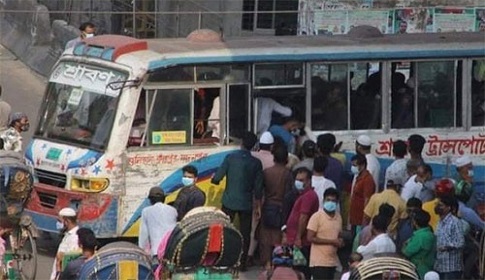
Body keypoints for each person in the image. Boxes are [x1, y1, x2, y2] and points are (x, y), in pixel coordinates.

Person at [211, 131, 263, 271]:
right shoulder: (256, 163)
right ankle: (242, 264)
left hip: (229, 201)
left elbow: (216, 179)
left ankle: (221, 260)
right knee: (245, 234)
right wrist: (258, 206)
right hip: (246, 203)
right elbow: (258, 189)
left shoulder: (230, 158)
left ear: (241, 143)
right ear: (253, 146)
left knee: (223, 230)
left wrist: (213, 179)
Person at [259, 145, 293, 270]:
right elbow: (289, 193)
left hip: (268, 207)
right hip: (282, 208)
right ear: (286, 159)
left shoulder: (266, 172)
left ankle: (267, 264)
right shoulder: (288, 174)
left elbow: (260, 191)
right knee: (279, 237)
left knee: (266, 238)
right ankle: (278, 263)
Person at [284, 167, 319, 279]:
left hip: (301, 242)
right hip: (295, 240)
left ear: (309, 181)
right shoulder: (302, 195)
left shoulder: (309, 196)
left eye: (302, 180)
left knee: (300, 272)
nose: (299, 182)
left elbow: (303, 217)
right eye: (297, 180)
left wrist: (298, 237)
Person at [307, 188, 344, 280]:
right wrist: (332, 242)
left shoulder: (338, 217)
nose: (330, 203)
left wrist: (340, 242)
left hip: (332, 261)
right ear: (323, 200)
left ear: (337, 202)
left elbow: (338, 235)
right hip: (319, 262)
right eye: (328, 200)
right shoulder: (317, 217)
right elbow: (310, 238)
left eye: (333, 201)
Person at [138, 187, 177, 258]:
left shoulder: (146, 211)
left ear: (150, 200)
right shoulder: (173, 210)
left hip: (156, 251)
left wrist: (143, 250)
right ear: (164, 198)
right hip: (171, 249)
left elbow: (144, 234)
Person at [434, 195, 465, 280]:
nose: (438, 207)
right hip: (440, 265)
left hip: (452, 267)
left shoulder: (455, 222)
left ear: (448, 208)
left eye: (441, 205)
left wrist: (447, 247)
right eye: (438, 204)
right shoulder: (440, 222)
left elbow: (461, 242)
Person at [402, 210, 436, 280]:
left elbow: (407, 252)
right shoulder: (430, 234)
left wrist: (405, 245)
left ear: (415, 222)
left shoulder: (419, 236)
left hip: (419, 270)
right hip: (428, 267)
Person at [50, 208, 81, 280]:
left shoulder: (74, 238)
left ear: (67, 221)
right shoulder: (68, 234)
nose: (58, 224)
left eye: (59, 221)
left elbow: (68, 262)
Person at [349, 154, 375, 236]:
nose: (353, 167)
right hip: (355, 218)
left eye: (354, 165)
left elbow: (367, 200)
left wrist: (364, 221)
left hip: (360, 220)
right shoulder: (359, 177)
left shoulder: (368, 180)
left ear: (362, 165)